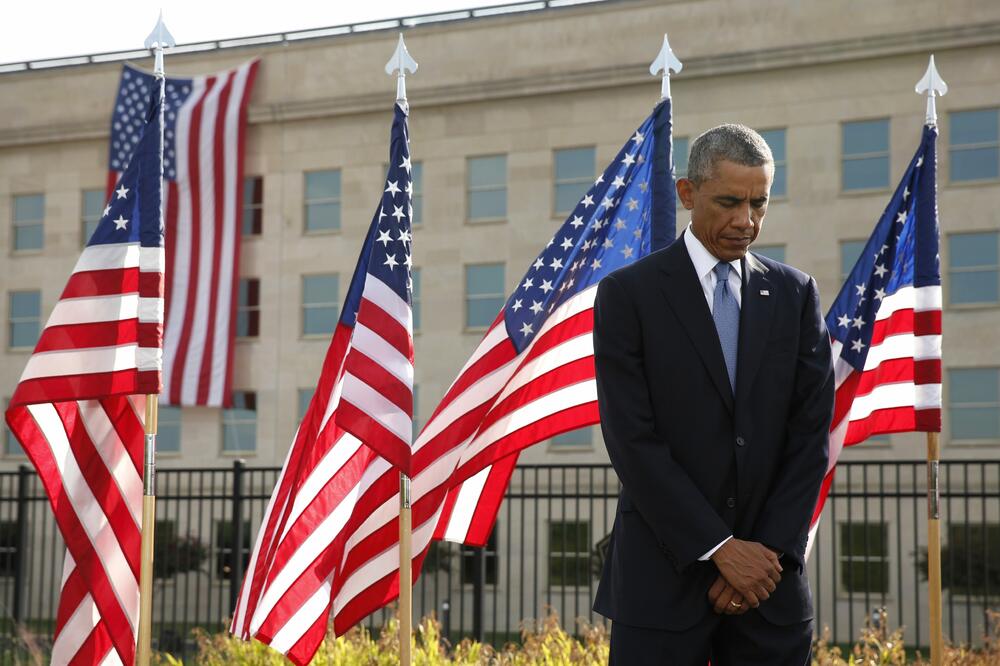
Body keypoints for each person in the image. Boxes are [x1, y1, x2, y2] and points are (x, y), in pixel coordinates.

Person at [592, 124, 835, 665]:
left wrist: (763, 555)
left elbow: (810, 436)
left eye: (759, 203)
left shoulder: (796, 295)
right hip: (660, 587)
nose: (746, 221)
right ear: (687, 193)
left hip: (769, 590)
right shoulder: (628, 295)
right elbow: (632, 441)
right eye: (729, 202)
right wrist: (720, 549)